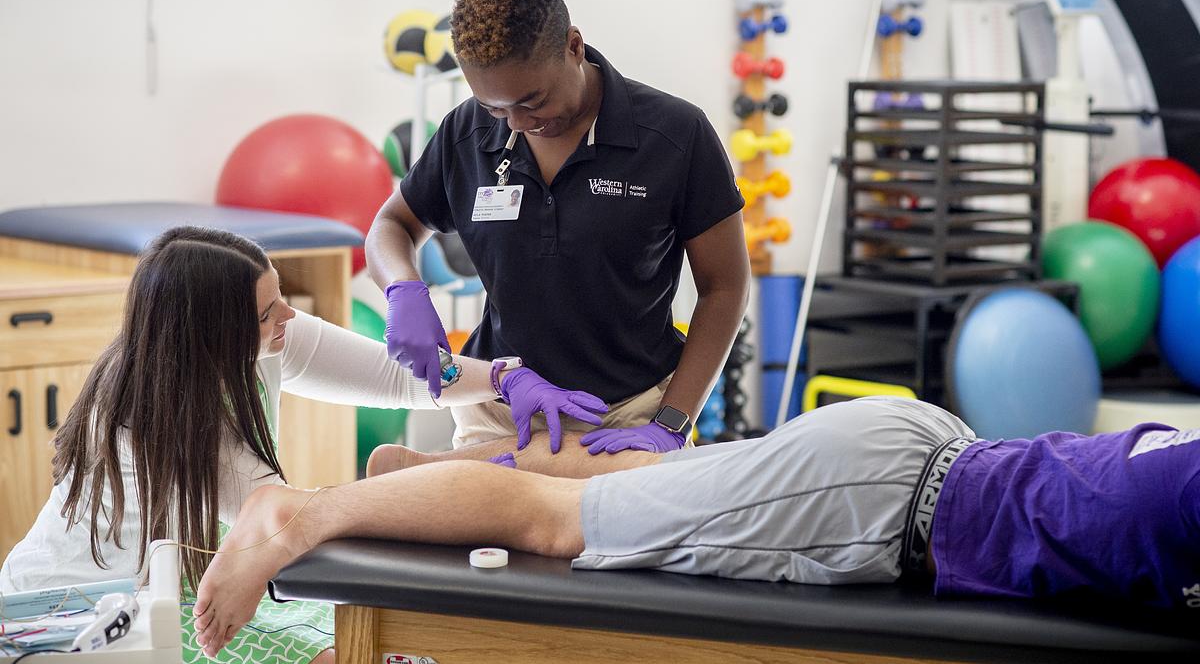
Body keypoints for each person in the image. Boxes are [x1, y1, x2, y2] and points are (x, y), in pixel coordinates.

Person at [192, 396, 1200, 657]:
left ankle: (422, 478)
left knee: (662, 479)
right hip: (880, 503)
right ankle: (298, 512)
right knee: (562, 520)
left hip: (922, 451)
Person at [0, 226, 600, 664]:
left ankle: (425, 470)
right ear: (211, 335)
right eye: (267, 312)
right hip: (91, 607)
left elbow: (398, 374)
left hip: (186, 574)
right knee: (348, 651)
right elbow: (288, 520)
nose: (288, 314)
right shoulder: (162, 421)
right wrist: (453, 487)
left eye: (280, 294)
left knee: (384, 634)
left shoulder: (265, 335)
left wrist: (501, 376)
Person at [366, 0, 750, 456]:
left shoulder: (674, 135)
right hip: (501, 409)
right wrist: (402, 288)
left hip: (628, 412)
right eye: (496, 107)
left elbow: (725, 287)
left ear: (573, 46)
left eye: (534, 100)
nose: (519, 123)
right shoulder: (468, 133)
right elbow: (391, 224)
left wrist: (671, 422)